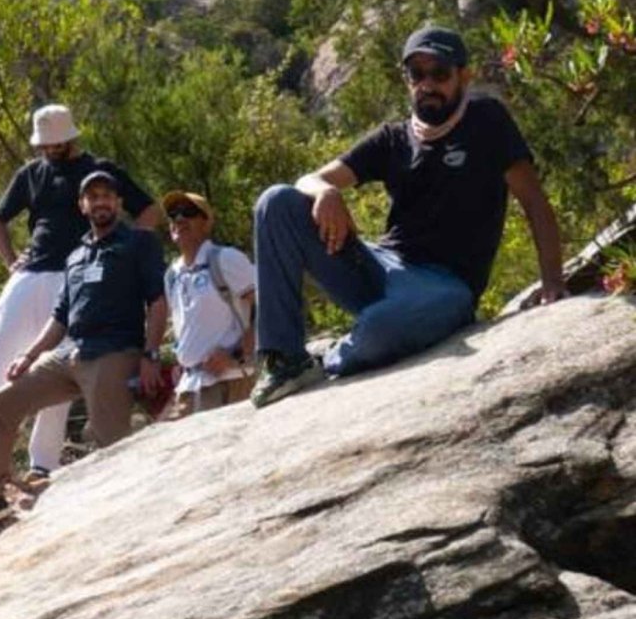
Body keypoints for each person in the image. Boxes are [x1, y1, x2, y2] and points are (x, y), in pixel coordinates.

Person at [249, 24, 567, 408]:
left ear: (463, 76)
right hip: (378, 266)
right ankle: (286, 359)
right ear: (406, 79)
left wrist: (553, 283)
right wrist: (326, 191)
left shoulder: (487, 120)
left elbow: (534, 201)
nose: (427, 84)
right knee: (276, 201)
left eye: (439, 73)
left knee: (380, 328)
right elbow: (308, 179)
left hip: (444, 288)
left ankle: (332, 356)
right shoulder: (393, 138)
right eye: (417, 74)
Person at [0, 104, 158, 488]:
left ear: (71, 138)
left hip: (76, 274)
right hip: (30, 273)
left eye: (56, 142)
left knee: (64, 364)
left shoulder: (100, 172)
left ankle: (43, 461)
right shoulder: (32, 173)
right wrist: (10, 260)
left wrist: (121, 251)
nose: (49, 149)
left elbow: (149, 210)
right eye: (44, 143)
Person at [161, 190, 256, 416]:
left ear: (206, 223)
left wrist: (235, 355)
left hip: (231, 382)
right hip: (190, 386)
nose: (179, 219)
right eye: (173, 214)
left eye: (189, 212)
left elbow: (269, 308)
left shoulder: (226, 258)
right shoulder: (172, 275)